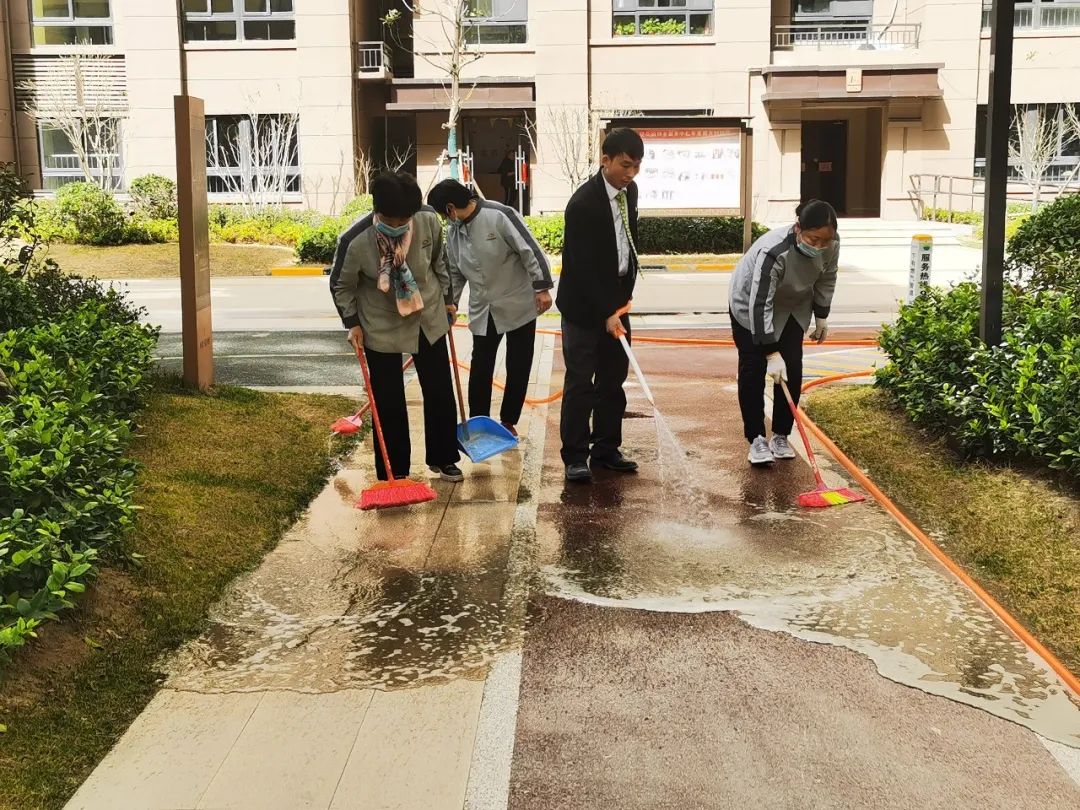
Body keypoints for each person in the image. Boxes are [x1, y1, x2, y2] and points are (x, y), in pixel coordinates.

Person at [329, 171, 464, 482]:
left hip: (427, 314)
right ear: (378, 211)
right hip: (381, 321)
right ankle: (395, 471)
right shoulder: (355, 239)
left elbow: (439, 263)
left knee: (440, 391)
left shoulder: (428, 219)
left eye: (407, 217)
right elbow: (341, 285)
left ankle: (444, 457)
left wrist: (448, 300)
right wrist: (352, 323)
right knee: (388, 399)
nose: (402, 224)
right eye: (394, 218)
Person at [426, 179, 554, 437]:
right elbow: (454, 271)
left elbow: (530, 250)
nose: (445, 220)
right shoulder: (454, 232)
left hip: (517, 303)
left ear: (451, 208)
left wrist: (542, 288)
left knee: (518, 364)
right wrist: (450, 302)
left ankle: (508, 420)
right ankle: (480, 421)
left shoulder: (500, 215)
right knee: (481, 364)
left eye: (443, 214)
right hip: (483, 308)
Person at [557, 127, 644, 483]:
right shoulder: (582, 205)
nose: (631, 173)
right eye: (625, 165)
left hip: (616, 304)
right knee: (580, 382)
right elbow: (582, 268)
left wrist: (620, 302)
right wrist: (605, 312)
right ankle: (575, 456)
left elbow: (626, 245)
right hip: (583, 307)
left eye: (637, 166)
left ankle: (606, 448)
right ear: (605, 160)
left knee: (613, 380)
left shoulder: (630, 192)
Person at [728, 199, 839, 467]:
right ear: (798, 228)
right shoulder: (774, 251)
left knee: (792, 370)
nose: (820, 246)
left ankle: (780, 435)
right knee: (753, 370)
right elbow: (760, 302)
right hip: (751, 306)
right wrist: (770, 351)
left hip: (792, 307)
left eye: (826, 241)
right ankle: (756, 438)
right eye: (814, 239)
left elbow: (827, 277)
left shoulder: (832, 244)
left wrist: (821, 316)